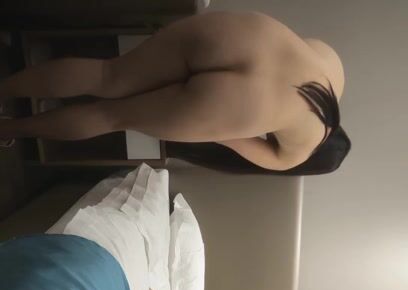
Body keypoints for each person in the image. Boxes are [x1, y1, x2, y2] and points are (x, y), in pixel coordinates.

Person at [0, 11, 351, 174]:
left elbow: (291, 51)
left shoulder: (335, 67)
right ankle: (7, 128)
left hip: (244, 35)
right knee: (109, 116)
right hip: (242, 103)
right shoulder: (300, 151)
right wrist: (193, 112)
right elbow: (229, 139)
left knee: (108, 74)